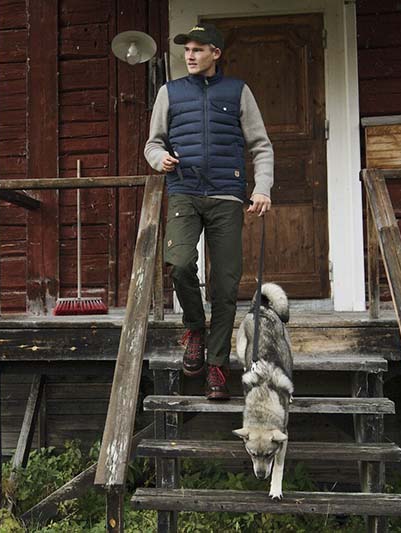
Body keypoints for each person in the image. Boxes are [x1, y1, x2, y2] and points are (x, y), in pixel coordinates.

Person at [144, 23, 274, 400]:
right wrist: (159, 159)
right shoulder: (170, 92)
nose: (190, 55)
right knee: (180, 264)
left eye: (198, 49)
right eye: (187, 49)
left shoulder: (238, 91)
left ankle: (216, 366)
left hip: (226, 195)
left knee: (225, 285)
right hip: (184, 192)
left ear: (215, 53)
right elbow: (153, 143)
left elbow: (261, 145)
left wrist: (262, 187)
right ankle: (195, 328)